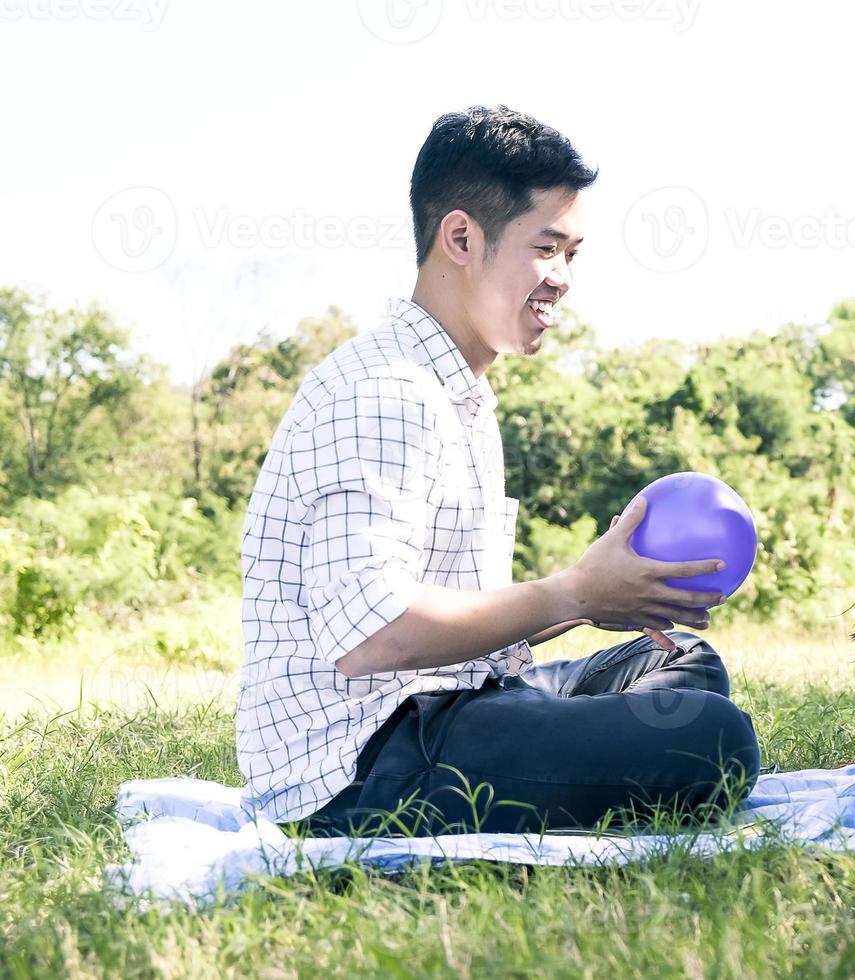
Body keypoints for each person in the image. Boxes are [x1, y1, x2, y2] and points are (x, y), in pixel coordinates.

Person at [236, 106, 760, 836]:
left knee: (686, 665)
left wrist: (596, 598)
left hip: (450, 703)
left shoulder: (459, 392)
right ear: (461, 237)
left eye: (573, 254)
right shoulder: (386, 391)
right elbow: (373, 635)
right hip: (362, 767)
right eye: (548, 249)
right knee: (713, 739)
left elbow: (450, 619)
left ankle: (540, 731)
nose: (564, 279)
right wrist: (571, 590)